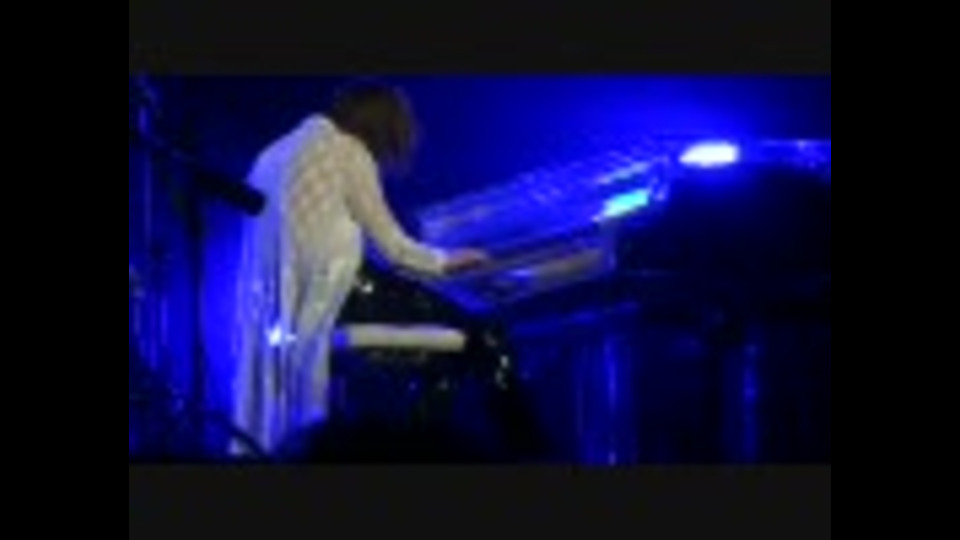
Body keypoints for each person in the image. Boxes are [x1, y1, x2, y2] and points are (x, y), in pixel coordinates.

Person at [231, 80, 488, 456]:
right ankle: (426, 456)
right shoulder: (347, 152)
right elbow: (395, 250)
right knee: (469, 341)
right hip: (327, 316)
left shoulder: (272, 155)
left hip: (276, 332)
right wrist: (447, 261)